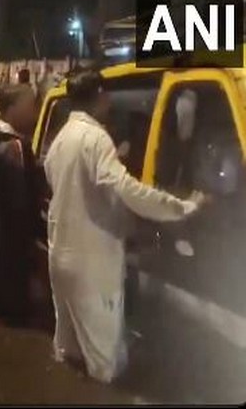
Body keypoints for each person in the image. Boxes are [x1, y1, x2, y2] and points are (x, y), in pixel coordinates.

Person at [44, 69, 205, 383]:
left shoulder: (61, 138)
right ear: (101, 96)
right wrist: (183, 207)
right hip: (92, 262)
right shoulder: (94, 137)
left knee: (70, 350)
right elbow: (126, 189)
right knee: (106, 366)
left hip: (61, 255)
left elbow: (70, 185)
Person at [0, 84, 45, 326]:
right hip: (9, 251)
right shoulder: (13, 147)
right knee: (18, 318)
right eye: (30, 105)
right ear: (13, 109)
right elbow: (20, 204)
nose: (35, 112)